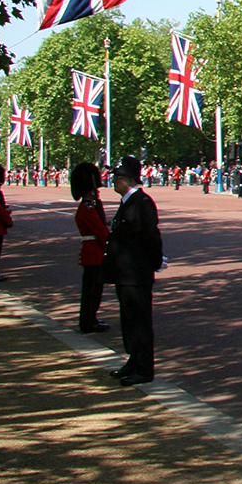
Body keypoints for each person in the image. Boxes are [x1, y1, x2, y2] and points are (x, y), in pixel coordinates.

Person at [101, 155, 162, 385]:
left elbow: (151, 238)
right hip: (125, 272)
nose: (113, 181)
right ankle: (133, 360)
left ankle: (144, 368)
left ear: (127, 179)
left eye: (116, 177)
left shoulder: (142, 203)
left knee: (140, 322)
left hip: (136, 273)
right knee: (128, 321)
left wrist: (153, 263)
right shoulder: (128, 202)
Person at [72, 163, 110, 333]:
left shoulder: (89, 208)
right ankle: (88, 321)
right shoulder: (87, 209)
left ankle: (90, 318)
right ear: (89, 191)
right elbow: (101, 233)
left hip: (93, 252)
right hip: (94, 253)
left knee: (93, 290)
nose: (97, 193)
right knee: (92, 291)